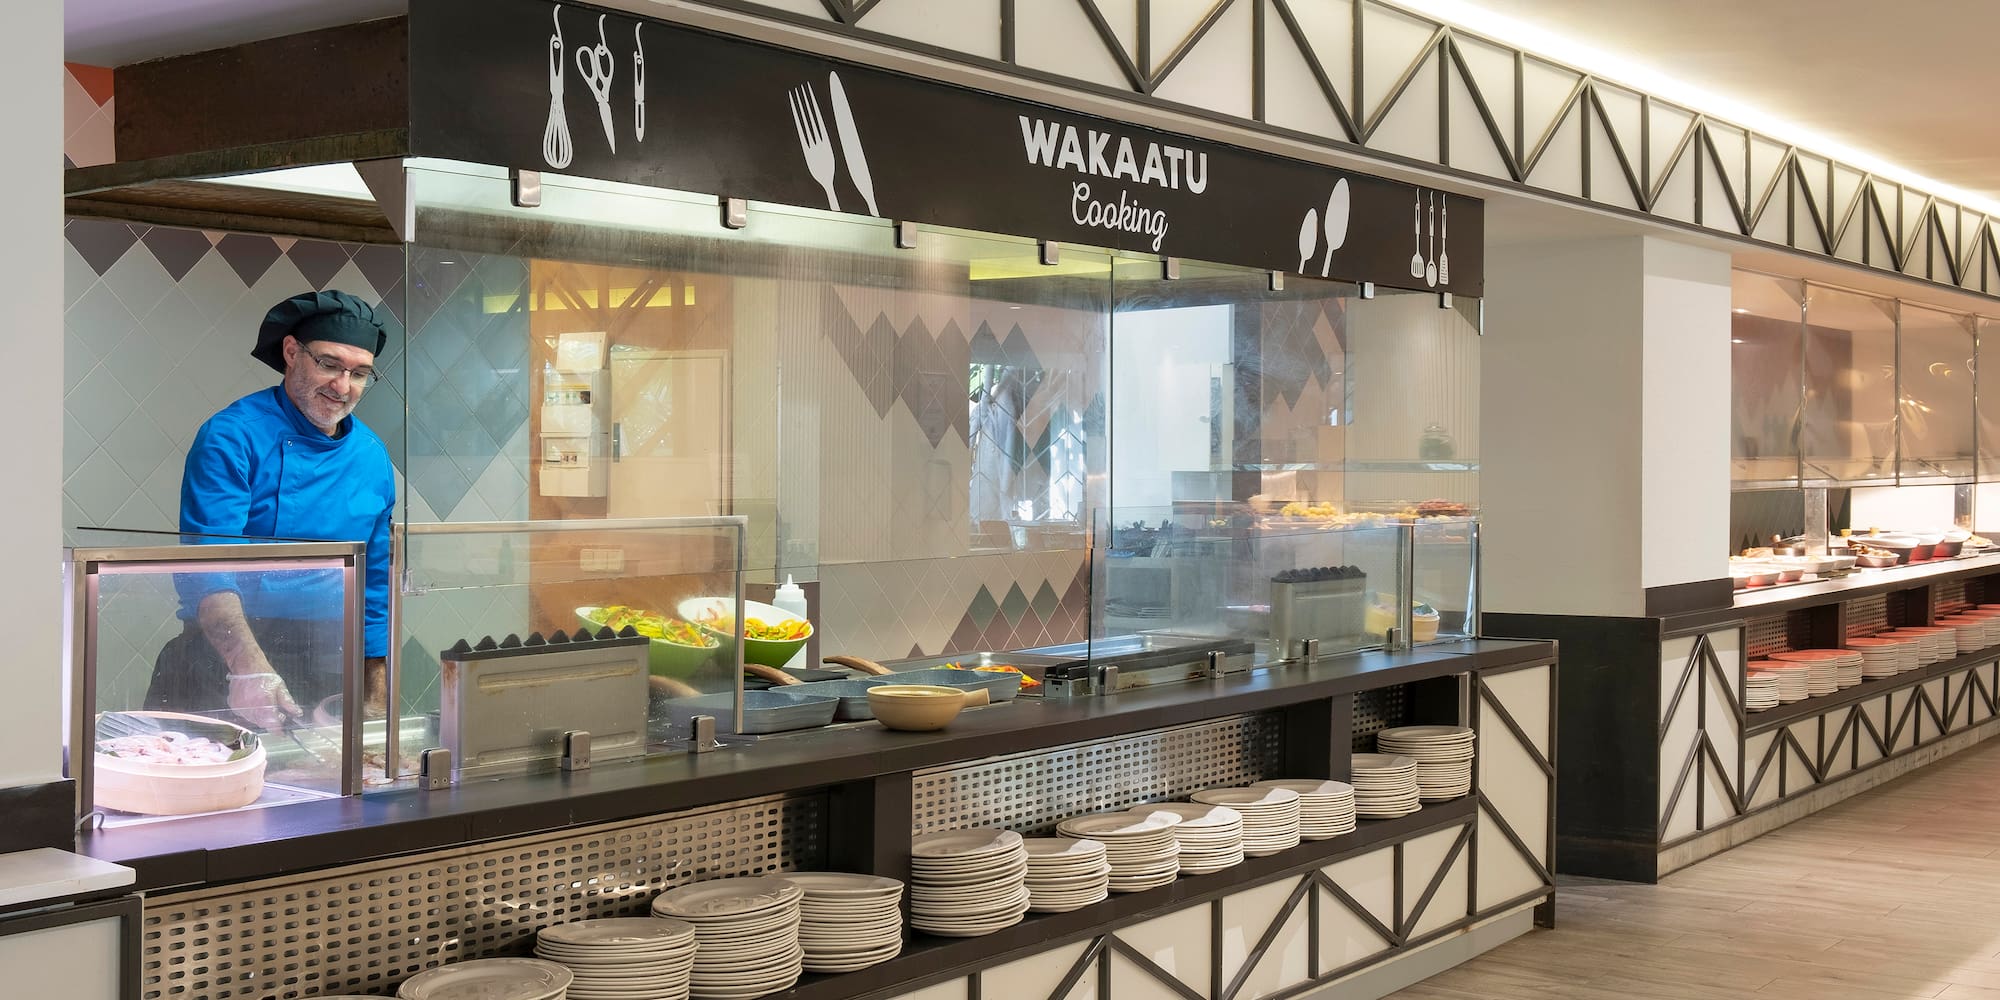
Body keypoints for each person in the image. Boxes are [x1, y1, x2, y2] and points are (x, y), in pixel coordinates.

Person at [146, 290, 395, 731]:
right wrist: (249, 668)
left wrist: (375, 695)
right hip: (222, 660)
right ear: (291, 352)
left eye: (359, 374)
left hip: (325, 664)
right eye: (329, 364)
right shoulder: (233, 436)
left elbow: (374, 586)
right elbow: (208, 568)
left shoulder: (372, 457)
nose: (343, 387)